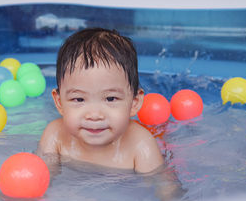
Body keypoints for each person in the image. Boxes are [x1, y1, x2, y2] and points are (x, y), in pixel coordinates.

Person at [37, 27, 166, 174]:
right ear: (59, 103)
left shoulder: (141, 145)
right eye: (79, 99)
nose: (94, 115)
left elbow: (165, 191)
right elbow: (41, 180)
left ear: (134, 102)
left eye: (110, 99)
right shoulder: (56, 135)